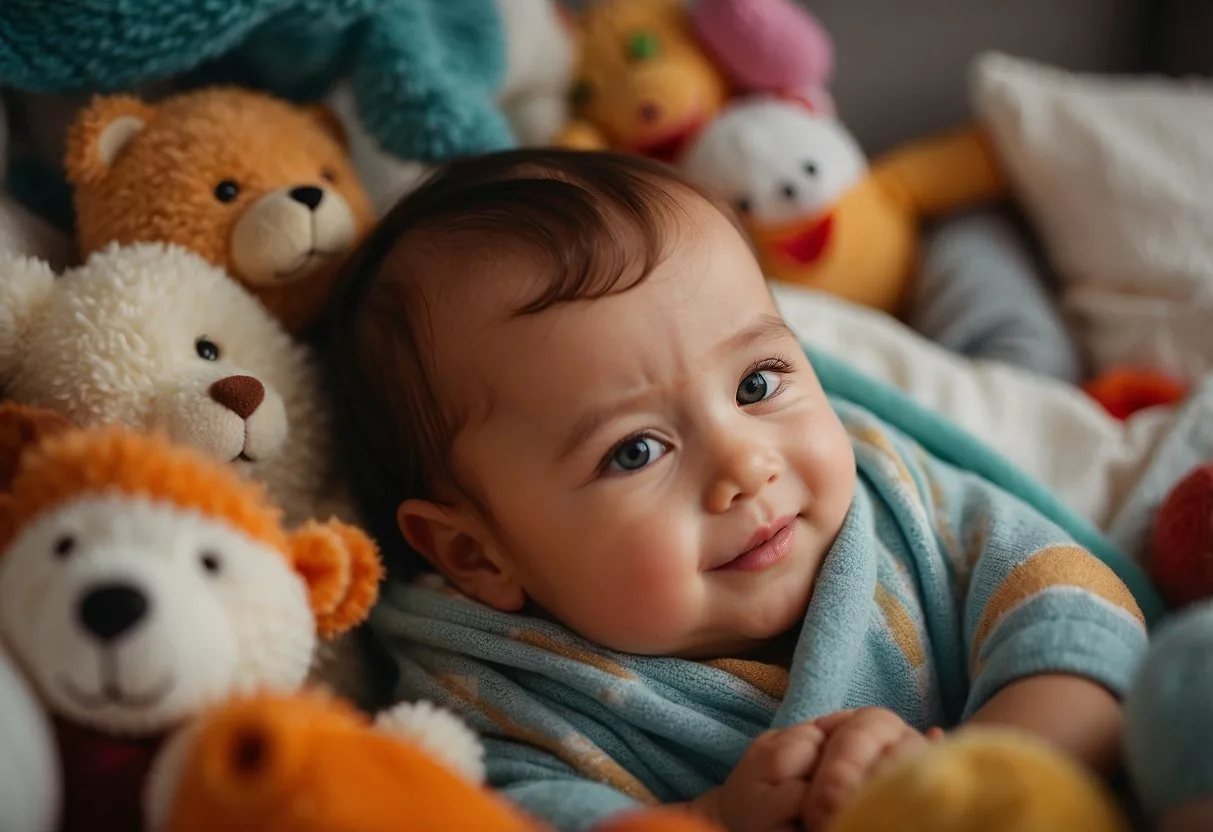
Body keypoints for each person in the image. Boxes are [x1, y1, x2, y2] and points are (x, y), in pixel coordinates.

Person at [327, 149, 1148, 832]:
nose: (745, 467)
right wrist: (714, 818)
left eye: (756, 384)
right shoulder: (493, 701)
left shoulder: (896, 498)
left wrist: (971, 780)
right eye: (636, 450)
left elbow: (1080, 623)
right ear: (478, 553)